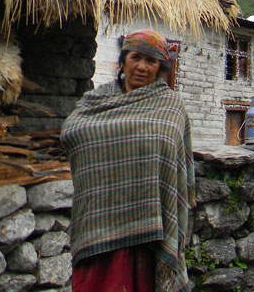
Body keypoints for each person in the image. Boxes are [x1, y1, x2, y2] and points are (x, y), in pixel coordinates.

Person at [62, 29, 194, 292]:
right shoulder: (97, 101)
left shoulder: (170, 107)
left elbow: (177, 161)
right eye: (135, 57)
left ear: (160, 68)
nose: (142, 67)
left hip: (150, 232)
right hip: (98, 223)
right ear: (123, 61)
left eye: (151, 61)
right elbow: (72, 133)